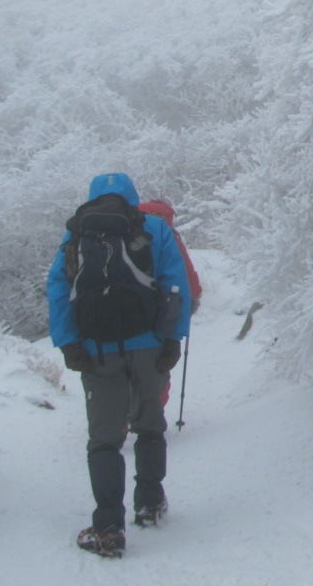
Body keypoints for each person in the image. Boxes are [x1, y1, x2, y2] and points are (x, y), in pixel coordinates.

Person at [47, 172, 192, 558]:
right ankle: (149, 502)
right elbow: (175, 285)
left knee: (105, 440)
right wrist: (172, 338)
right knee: (149, 426)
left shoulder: (76, 233)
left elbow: (59, 289)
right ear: (133, 196)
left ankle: (109, 527)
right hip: (148, 345)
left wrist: (68, 343)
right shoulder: (155, 229)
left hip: (97, 351)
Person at [137, 199, 202, 407]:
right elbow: (185, 270)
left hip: (130, 309)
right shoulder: (169, 236)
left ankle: (124, 412)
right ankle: (154, 409)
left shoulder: (126, 231)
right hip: (165, 310)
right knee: (159, 361)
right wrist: (194, 296)